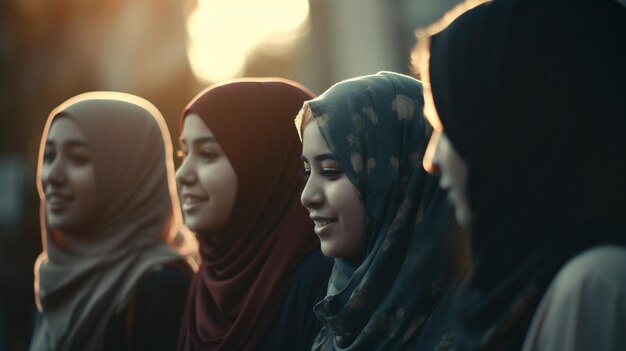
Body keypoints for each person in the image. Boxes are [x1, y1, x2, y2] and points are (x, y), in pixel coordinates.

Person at [414, 0, 626, 349]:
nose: (430, 159)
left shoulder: (596, 288)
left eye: (447, 125)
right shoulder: (533, 285)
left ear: (516, 126)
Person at [298, 71, 470, 350]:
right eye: (306, 172)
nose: (307, 196)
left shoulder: (473, 320)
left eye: (329, 171)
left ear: (396, 176)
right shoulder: (339, 310)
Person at [29, 92, 198, 351]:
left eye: (78, 158)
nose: (52, 175)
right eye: (49, 156)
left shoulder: (160, 289)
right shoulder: (55, 279)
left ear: (129, 175)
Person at [175, 78, 333, 351]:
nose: (182, 174)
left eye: (207, 154)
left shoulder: (320, 283)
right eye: (184, 153)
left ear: (264, 166)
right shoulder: (210, 279)